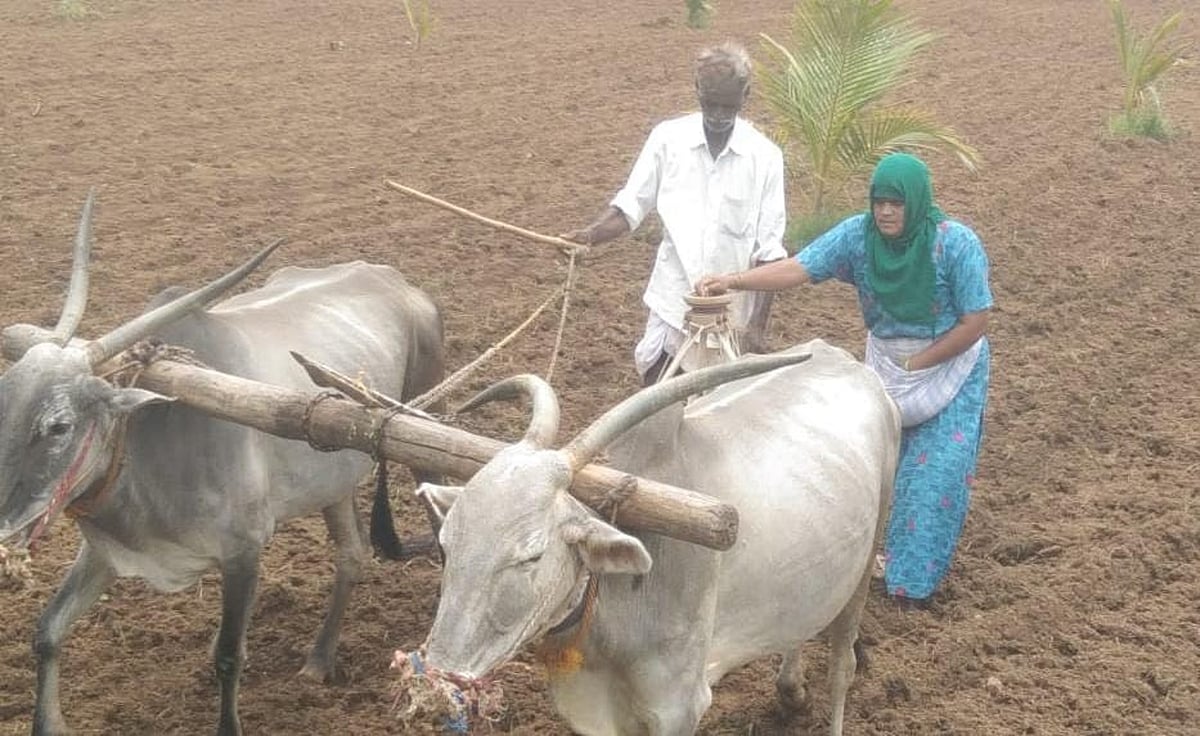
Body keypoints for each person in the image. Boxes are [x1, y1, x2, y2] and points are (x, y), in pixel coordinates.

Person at [695, 152, 992, 602]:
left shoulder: (955, 245)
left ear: (916, 202)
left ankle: (911, 586)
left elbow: (975, 321)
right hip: (887, 361)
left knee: (932, 474)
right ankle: (857, 558)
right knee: (866, 469)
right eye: (880, 202)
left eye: (897, 203)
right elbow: (800, 267)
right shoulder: (858, 236)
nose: (887, 212)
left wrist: (921, 362)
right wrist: (734, 282)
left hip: (949, 365)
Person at [562, 41, 787, 385]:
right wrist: (590, 236)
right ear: (697, 90)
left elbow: (769, 254)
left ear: (746, 95)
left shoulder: (765, 157)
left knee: (719, 422)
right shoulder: (667, 140)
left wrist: (756, 328)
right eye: (710, 104)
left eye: (728, 106)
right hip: (671, 306)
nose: (717, 116)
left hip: (729, 319)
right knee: (654, 401)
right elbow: (629, 207)